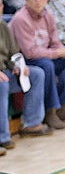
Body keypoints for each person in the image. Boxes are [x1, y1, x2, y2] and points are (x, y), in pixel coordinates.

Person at [9, 0, 65, 128]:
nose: (37, 1)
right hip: (23, 61)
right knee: (47, 65)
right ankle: (50, 111)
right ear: (27, 0)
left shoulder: (47, 15)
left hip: (43, 55)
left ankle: (64, 105)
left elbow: (55, 42)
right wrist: (59, 52)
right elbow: (30, 53)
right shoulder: (21, 19)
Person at [1, 18, 51, 154]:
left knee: (36, 74)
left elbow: (13, 53)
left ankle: (31, 124)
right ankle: (2, 138)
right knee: (2, 84)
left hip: (5, 71)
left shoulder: (3, 26)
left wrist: (18, 66)